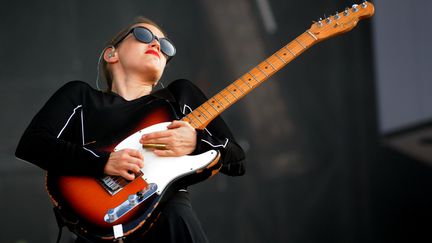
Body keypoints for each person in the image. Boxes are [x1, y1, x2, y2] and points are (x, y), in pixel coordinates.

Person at [15, 16, 246, 243]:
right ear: (111, 54)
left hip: (170, 216)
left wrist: (196, 141)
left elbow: (236, 159)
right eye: (144, 35)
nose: (157, 45)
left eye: (165, 46)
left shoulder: (178, 96)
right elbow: (33, 144)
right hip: (100, 226)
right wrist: (102, 162)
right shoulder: (80, 96)